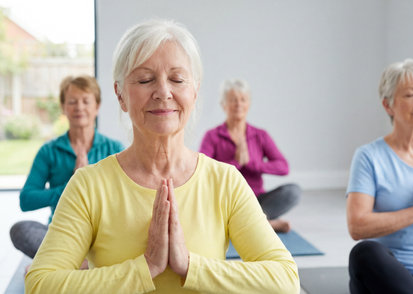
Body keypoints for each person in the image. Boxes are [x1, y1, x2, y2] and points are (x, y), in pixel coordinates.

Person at [25, 20, 300, 294]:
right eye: (145, 80)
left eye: (177, 79)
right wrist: (144, 268)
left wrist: (190, 266)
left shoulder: (225, 181)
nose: (163, 92)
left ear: (194, 91)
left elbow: (285, 280)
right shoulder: (88, 186)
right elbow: (40, 284)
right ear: (120, 95)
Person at [346, 59, 413, 294]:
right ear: (388, 105)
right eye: (411, 94)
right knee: (364, 253)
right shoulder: (369, 156)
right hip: (389, 277)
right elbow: (357, 226)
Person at [10, 75, 124, 261]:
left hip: (103, 234)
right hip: (61, 234)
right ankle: (81, 264)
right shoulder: (49, 151)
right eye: (72, 102)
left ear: (97, 106)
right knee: (20, 230)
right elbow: (26, 200)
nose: (79, 107)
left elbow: (123, 196)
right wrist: (71, 185)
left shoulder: (114, 149)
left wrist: (88, 184)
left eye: (86, 101)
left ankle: (64, 265)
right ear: (63, 107)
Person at [200, 79, 301, 232]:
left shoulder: (260, 135)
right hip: (226, 200)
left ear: (249, 104)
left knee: (293, 191)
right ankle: (264, 225)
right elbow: (203, 171)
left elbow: (283, 167)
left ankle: (243, 223)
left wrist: (253, 164)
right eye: (233, 100)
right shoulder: (212, 136)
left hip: (256, 201)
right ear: (224, 105)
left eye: (243, 99)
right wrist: (235, 163)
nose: (238, 104)